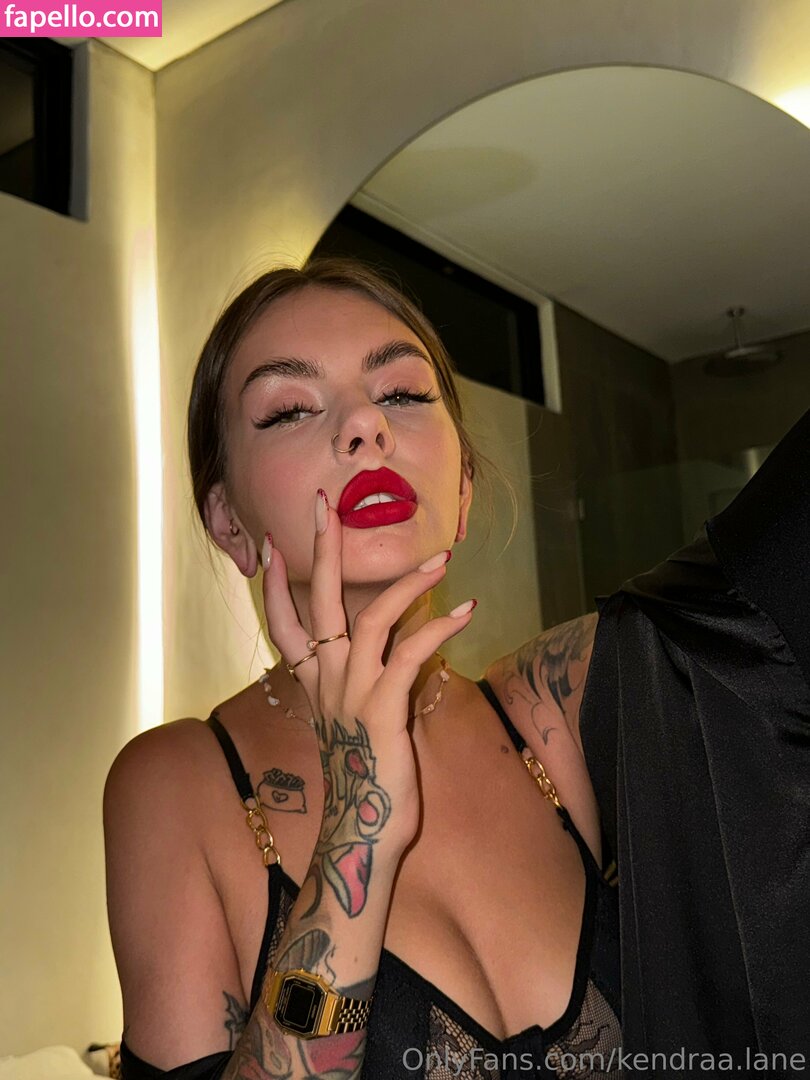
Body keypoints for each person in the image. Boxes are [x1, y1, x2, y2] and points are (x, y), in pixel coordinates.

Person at [104, 257, 809, 1080]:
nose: (365, 425)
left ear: (465, 486)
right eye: (290, 408)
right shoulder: (177, 783)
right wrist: (359, 827)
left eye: (403, 393)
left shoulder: (564, 705)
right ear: (228, 520)